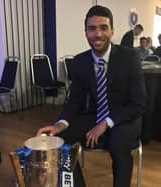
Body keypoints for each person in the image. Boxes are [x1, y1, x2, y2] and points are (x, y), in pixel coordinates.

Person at [36, 5, 146, 187]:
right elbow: (75, 100)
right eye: (92, 28)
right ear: (85, 32)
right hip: (94, 114)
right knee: (58, 142)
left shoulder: (130, 57)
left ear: (112, 31)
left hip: (125, 117)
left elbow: (139, 104)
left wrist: (106, 123)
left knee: (119, 146)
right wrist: (60, 124)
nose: (98, 34)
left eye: (103, 27)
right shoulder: (80, 61)